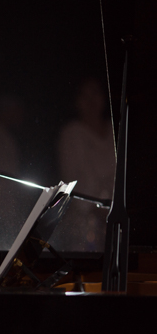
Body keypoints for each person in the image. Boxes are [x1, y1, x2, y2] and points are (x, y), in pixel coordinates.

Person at [57, 77, 115, 251]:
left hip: (115, 220)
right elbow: (74, 178)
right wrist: (98, 209)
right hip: (83, 225)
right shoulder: (71, 133)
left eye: (95, 93)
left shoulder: (115, 131)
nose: (91, 100)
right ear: (76, 101)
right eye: (85, 95)